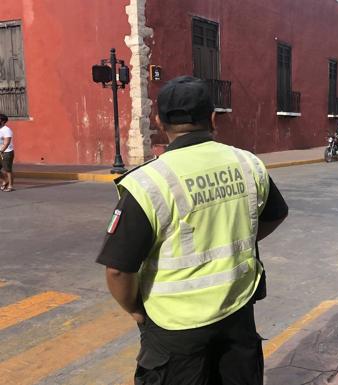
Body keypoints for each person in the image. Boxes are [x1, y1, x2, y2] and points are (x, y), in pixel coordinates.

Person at [96, 76, 288, 385]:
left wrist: (135, 310)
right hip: (237, 312)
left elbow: (118, 270)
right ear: (213, 118)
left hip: (174, 330)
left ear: (159, 122)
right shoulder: (247, 164)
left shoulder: (149, 182)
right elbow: (275, 214)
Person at [0, 114, 15, 192]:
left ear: (2, 121)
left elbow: (7, 142)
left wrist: (1, 151)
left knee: (8, 170)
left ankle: (10, 186)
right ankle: (5, 180)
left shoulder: (6, 130)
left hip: (6, 152)